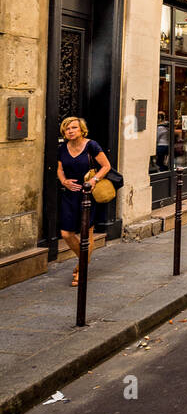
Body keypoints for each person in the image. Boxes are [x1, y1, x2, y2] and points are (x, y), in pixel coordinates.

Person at [57, 115, 112, 286]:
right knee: (66, 233)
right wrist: (64, 181)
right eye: (67, 128)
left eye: (74, 127)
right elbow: (59, 169)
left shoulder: (91, 146)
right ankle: (84, 262)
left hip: (88, 194)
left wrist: (93, 181)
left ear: (81, 130)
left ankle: (81, 270)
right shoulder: (62, 148)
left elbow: (106, 166)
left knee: (86, 233)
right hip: (70, 194)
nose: (70, 131)